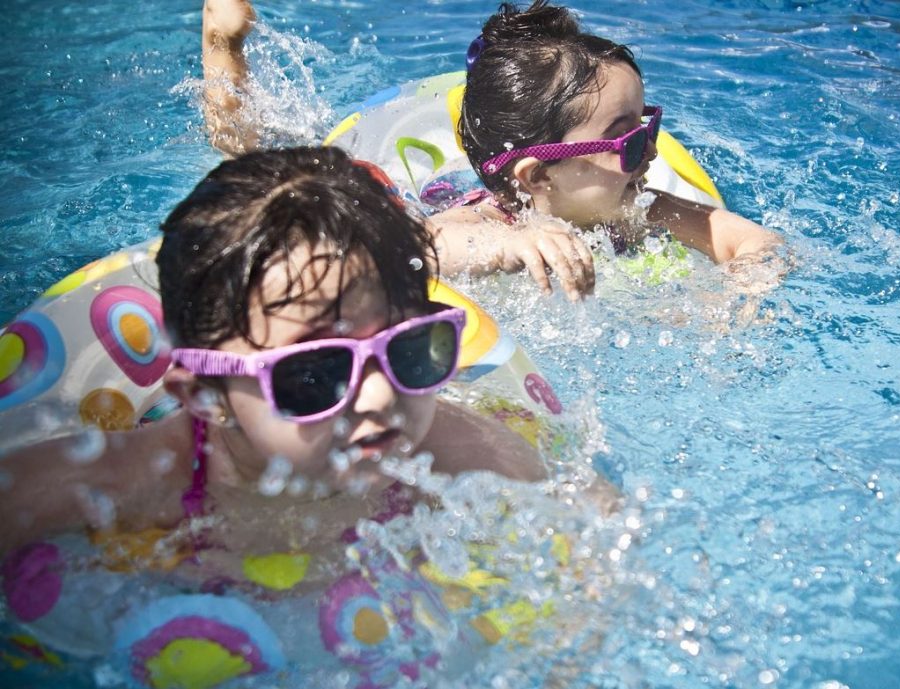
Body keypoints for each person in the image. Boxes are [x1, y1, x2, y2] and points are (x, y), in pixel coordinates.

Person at [0, 146, 545, 564]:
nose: (382, 395)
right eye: (315, 373)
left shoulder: (460, 456)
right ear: (205, 395)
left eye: (408, 351)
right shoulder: (121, 486)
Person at [200, 1, 782, 302]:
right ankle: (223, 49)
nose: (649, 155)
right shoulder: (487, 217)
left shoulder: (643, 208)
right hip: (421, 196)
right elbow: (412, 253)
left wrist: (742, 293)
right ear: (536, 176)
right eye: (629, 141)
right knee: (257, 168)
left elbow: (748, 240)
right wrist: (509, 242)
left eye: (649, 129)